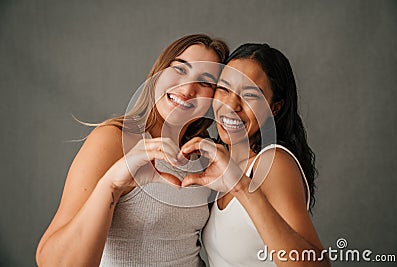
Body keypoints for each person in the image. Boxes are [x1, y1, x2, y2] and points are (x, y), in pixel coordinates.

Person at [36, 34, 229, 267]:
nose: (188, 89)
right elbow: (53, 262)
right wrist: (113, 183)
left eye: (206, 82)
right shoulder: (113, 140)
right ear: (159, 73)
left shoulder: (205, 157)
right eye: (180, 69)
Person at [181, 44, 330, 266]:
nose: (231, 105)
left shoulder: (273, 163)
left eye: (250, 94)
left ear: (275, 108)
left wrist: (241, 186)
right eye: (224, 89)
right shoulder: (221, 163)